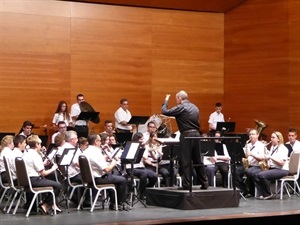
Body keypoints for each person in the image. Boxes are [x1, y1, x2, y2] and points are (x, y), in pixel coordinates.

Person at [161, 90, 208, 190]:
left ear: (179, 98)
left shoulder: (181, 107)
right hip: (196, 134)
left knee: (185, 160)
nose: (176, 100)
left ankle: (187, 184)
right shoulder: (195, 107)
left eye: (176, 98)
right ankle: (205, 182)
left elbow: (165, 111)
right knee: (198, 159)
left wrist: (166, 100)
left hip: (186, 135)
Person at [83, 133, 128, 210]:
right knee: (122, 180)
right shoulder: (96, 152)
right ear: (96, 142)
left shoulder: (86, 151)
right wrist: (113, 163)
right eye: (100, 141)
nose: (100, 143)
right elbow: (107, 169)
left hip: (89, 178)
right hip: (97, 179)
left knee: (114, 176)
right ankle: (119, 203)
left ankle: (114, 202)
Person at [22, 134, 62, 214]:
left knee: (52, 182)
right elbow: (43, 173)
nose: (41, 146)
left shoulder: (26, 153)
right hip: (34, 180)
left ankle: (48, 204)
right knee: (58, 185)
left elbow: (32, 166)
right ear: (37, 145)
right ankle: (45, 204)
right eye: (40, 144)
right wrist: (53, 169)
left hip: (27, 179)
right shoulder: (35, 155)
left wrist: (43, 164)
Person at [253, 131, 289, 200]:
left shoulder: (283, 148)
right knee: (255, 174)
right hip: (273, 168)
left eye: (273, 137)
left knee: (261, 175)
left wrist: (270, 157)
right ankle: (262, 194)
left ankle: (268, 193)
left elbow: (282, 163)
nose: (271, 139)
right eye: (271, 137)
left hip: (282, 169)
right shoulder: (273, 147)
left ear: (278, 139)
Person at [125, 132, 157, 199]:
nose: (143, 141)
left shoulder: (143, 147)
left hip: (141, 167)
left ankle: (146, 191)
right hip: (131, 168)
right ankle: (141, 193)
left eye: (143, 139)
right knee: (144, 173)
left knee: (154, 175)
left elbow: (145, 158)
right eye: (141, 139)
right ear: (136, 140)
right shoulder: (131, 147)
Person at [235, 128, 265, 197]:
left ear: (257, 135)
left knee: (249, 172)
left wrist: (252, 154)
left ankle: (252, 191)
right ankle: (244, 190)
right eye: (250, 135)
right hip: (248, 165)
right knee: (236, 171)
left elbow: (261, 158)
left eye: (253, 134)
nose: (251, 136)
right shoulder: (247, 145)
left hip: (257, 166)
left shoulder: (260, 145)